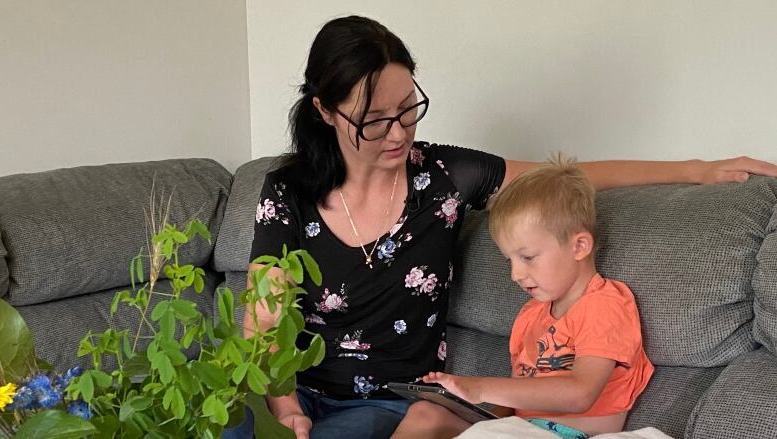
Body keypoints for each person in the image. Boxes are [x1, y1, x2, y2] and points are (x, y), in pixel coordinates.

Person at [230, 15, 777, 439]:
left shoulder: (443, 176)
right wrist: (284, 406)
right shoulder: (289, 191)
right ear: (326, 111)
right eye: (375, 119)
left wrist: (697, 170)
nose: (398, 132)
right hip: (293, 392)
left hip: (386, 401)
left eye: (409, 109)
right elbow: (264, 316)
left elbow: (566, 176)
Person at [391, 156, 654, 439]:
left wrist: (480, 388)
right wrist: (477, 411)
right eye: (510, 261)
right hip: (521, 429)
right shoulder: (531, 314)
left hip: (572, 434)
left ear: (579, 246)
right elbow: (518, 399)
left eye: (527, 257)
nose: (515, 274)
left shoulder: (604, 305)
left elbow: (581, 394)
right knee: (425, 415)